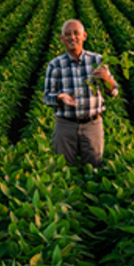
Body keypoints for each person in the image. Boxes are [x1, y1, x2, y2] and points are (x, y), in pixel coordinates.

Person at [42, 19, 118, 167]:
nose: (72, 37)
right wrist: (60, 98)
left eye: (76, 33)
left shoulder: (98, 61)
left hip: (92, 125)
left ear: (84, 36)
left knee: (94, 168)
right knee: (63, 169)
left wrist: (107, 79)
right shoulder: (55, 65)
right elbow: (46, 97)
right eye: (67, 34)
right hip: (65, 125)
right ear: (62, 38)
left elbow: (114, 92)